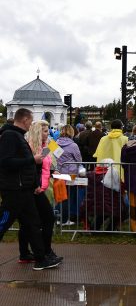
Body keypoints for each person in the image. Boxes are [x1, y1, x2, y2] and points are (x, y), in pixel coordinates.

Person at [0, 108, 60, 270]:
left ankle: (40, 258)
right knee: (4, 222)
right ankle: (39, 256)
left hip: (24, 188)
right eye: (30, 120)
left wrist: (33, 183)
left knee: (32, 223)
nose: (30, 124)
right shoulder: (10, 136)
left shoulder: (16, 136)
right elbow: (6, 162)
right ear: (25, 120)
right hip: (14, 189)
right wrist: (32, 160)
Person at [18, 120, 62, 264]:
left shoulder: (46, 146)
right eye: (44, 131)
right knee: (44, 219)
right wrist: (35, 184)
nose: (48, 133)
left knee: (30, 223)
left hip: (40, 186)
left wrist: (52, 171)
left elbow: (45, 164)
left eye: (48, 130)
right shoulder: (30, 146)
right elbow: (31, 168)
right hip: (34, 189)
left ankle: (30, 253)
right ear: (37, 132)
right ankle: (44, 252)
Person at [55, 124, 83, 224]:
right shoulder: (73, 145)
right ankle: (65, 219)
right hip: (70, 174)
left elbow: (54, 157)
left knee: (60, 196)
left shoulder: (54, 144)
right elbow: (79, 160)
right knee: (68, 197)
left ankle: (58, 218)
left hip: (58, 173)